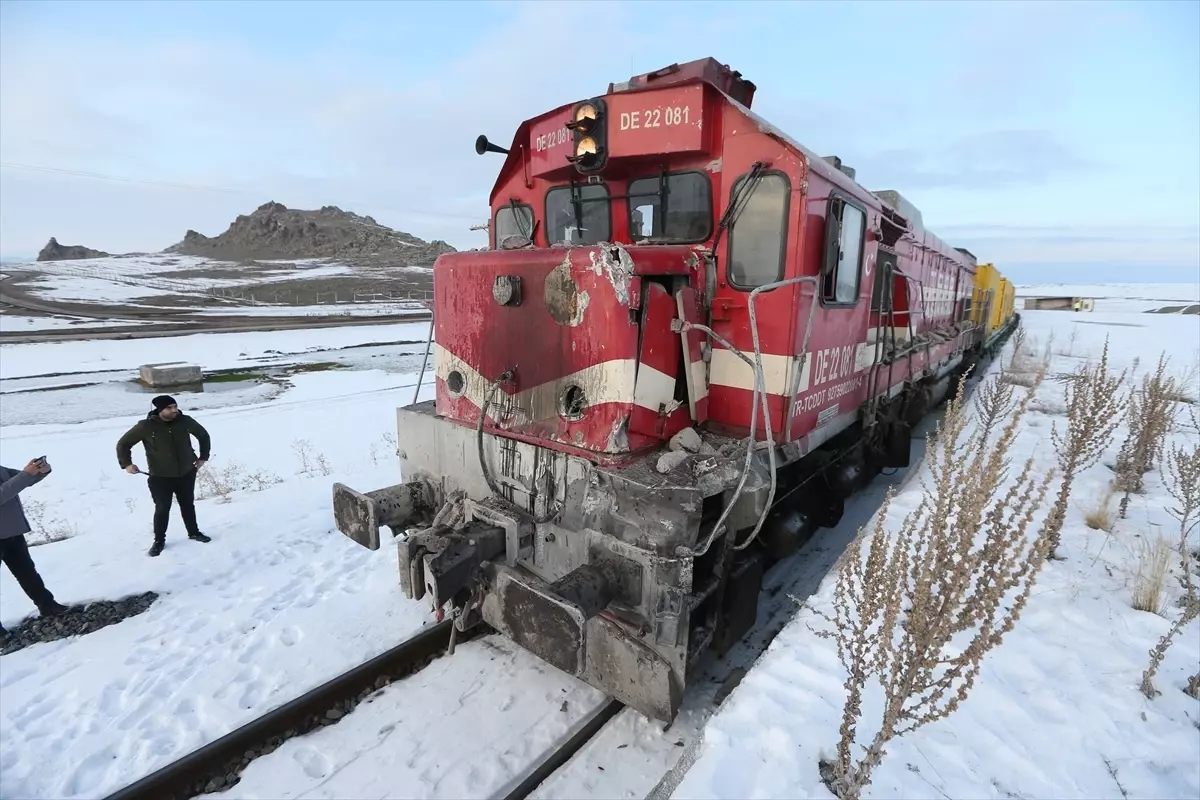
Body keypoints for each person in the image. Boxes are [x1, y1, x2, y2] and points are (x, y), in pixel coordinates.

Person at [117, 395, 213, 557]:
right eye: (169, 408)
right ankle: (159, 541)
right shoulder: (145, 427)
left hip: (186, 472)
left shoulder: (185, 421)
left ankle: (194, 532)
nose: (174, 410)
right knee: (162, 508)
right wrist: (127, 464)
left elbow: (203, 435)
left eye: (175, 406)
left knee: (188, 504)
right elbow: (123, 444)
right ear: (160, 410)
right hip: (160, 476)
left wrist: (203, 456)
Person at [0, 457, 68, 640]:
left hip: (11, 533)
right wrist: (26, 474)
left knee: (28, 573)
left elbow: (21, 478)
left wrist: (40, 471)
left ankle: (48, 606)